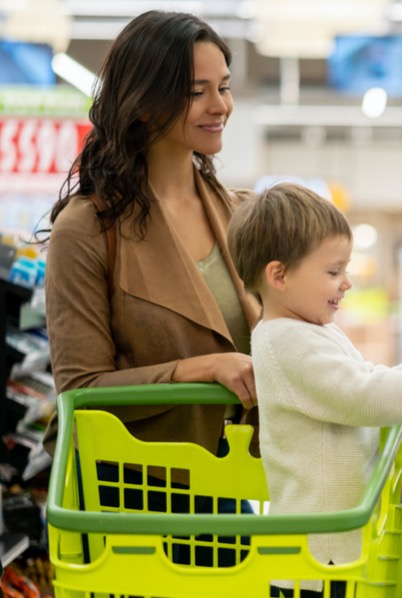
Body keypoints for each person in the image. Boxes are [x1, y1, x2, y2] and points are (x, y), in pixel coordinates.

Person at [226, 182, 402, 595]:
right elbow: (363, 394)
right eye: (333, 272)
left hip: (328, 552)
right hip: (315, 562)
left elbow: (366, 376)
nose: (347, 283)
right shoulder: (285, 341)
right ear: (279, 275)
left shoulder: (309, 330)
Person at [40, 10, 258, 465]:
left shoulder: (238, 214)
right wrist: (203, 370)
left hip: (228, 486)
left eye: (224, 86)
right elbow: (80, 391)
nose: (219, 105)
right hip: (124, 496)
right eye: (196, 92)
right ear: (142, 102)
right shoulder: (87, 229)